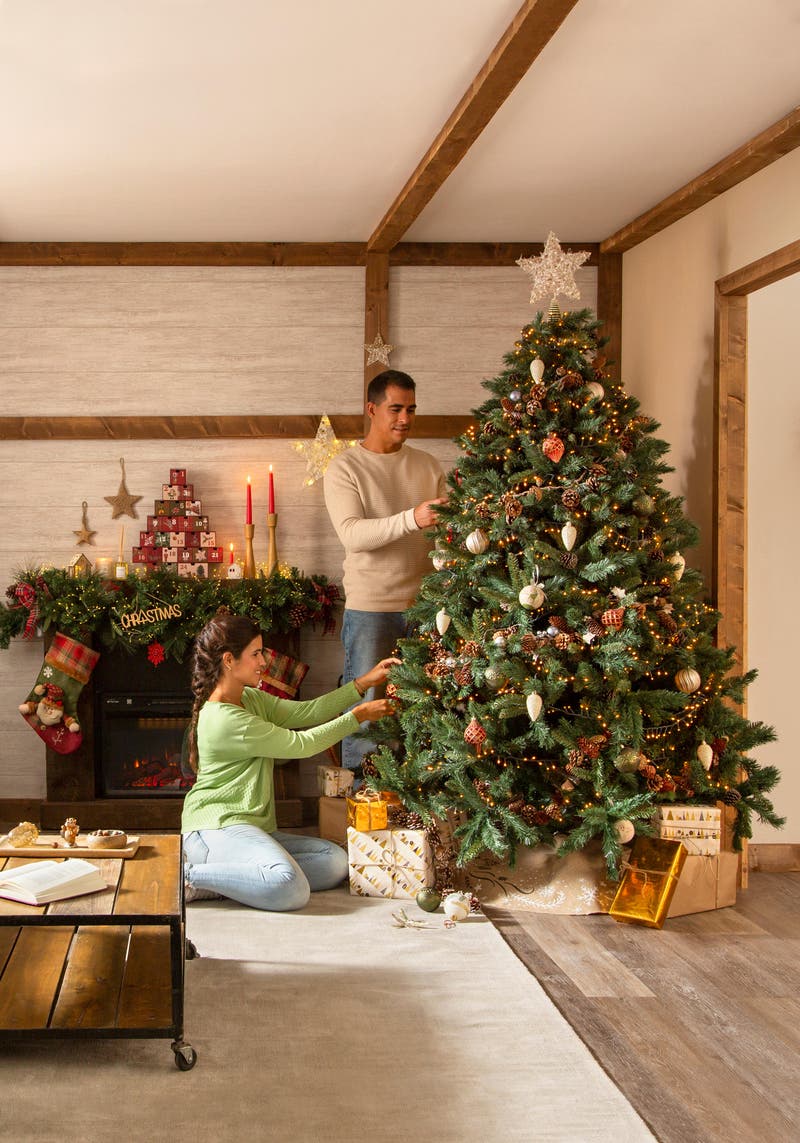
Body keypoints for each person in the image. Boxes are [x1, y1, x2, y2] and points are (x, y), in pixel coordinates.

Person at [181, 610, 398, 910]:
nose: (263, 662)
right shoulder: (225, 719)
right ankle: (188, 876)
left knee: (335, 862)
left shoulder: (250, 698)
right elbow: (301, 744)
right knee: (291, 888)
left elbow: (306, 713)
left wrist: (362, 683)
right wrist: (356, 718)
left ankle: (233, 883)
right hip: (216, 829)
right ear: (229, 661)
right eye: (256, 654)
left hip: (253, 829)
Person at [324, 369, 448, 772]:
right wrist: (412, 517)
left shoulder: (429, 466)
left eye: (411, 409)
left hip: (430, 611)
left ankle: (418, 814)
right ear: (372, 409)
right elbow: (353, 535)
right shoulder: (345, 468)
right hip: (371, 610)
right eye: (395, 408)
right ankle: (365, 808)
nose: (405, 419)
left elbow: (446, 537)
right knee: (368, 711)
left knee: (426, 708)